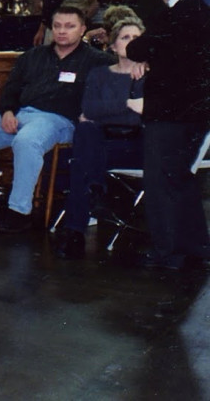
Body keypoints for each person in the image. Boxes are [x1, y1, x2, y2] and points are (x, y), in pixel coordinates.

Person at [0, 5, 115, 233]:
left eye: (70, 26)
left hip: (59, 120)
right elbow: (11, 88)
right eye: (57, 26)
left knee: (26, 141)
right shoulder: (32, 56)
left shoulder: (98, 60)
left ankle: (19, 211)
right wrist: (7, 111)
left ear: (83, 29)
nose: (62, 31)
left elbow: (122, 72)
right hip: (21, 113)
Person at [125, 0, 210, 270]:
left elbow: (136, 49)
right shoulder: (205, 12)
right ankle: (197, 245)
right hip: (199, 113)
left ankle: (167, 252)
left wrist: (144, 56)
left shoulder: (168, 17)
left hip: (167, 114)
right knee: (184, 178)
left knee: (161, 182)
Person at [53, 17, 146, 260]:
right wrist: (128, 104)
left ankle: (74, 232)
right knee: (86, 133)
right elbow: (89, 108)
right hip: (101, 142)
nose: (131, 42)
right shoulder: (99, 74)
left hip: (135, 145)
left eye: (137, 38)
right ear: (113, 46)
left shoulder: (148, 73)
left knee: (82, 157)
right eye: (125, 38)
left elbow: (136, 120)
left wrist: (108, 110)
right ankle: (94, 189)